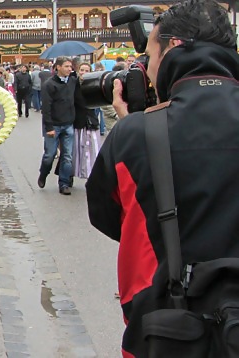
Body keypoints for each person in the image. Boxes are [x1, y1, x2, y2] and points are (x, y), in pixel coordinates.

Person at [86, 1, 239, 356]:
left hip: (168, 328)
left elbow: (108, 215)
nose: (149, 70)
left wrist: (134, 125)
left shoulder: (137, 135)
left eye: (150, 56)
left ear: (171, 48)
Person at [38, 57, 83, 195]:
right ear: (58, 67)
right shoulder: (49, 85)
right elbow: (46, 108)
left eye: (71, 66)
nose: (70, 69)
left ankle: (64, 183)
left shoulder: (73, 82)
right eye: (66, 66)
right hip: (54, 126)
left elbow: (79, 99)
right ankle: (43, 173)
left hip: (68, 124)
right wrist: (49, 127)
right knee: (49, 155)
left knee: (67, 156)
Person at [72, 63, 101, 179]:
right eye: (82, 70)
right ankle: (71, 176)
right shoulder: (73, 84)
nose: (84, 72)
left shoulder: (93, 84)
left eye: (86, 70)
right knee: (76, 150)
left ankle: (91, 175)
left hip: (90, 121)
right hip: (77, 121)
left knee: (92, 149)